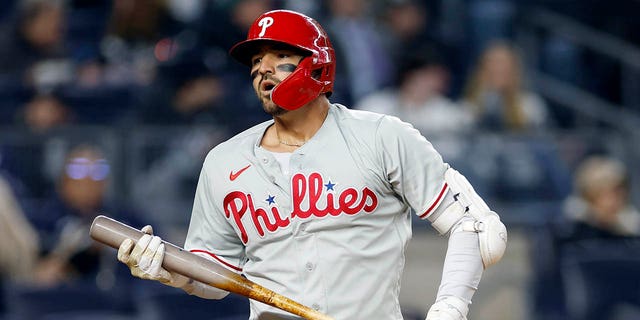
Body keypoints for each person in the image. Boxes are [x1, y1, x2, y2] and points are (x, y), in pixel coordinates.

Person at [116, 10, 507, 320]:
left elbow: (476, 227)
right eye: (255, 60)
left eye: (279, 56)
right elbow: (216, 276)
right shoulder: (224, 161)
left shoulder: (381, 136)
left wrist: (449, 308)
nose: (262, 69)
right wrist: (170, 269)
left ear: (317, 63)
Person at [459, 41, 551, 132]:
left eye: (503, 66)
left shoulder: (531, 105)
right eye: (492, 65)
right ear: (482, 70)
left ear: (514, 71)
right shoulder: (467, 108)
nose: (498, 70)